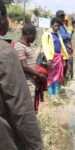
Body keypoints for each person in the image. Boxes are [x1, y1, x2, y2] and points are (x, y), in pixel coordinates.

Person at [0, 0, 43, 149]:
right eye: (7, 16)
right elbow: (21, 110)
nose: (9, 21)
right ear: (1, 17)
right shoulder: (5, 52)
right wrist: (36, 146)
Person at [15, 24, 47, 103]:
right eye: (34, 35)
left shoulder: (28, 46)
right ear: (28, 33)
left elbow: (30, 64)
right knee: (28, 107)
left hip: (32, 81)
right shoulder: (19, 47)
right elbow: (24, 67)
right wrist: (39, 75)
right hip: (26, 84)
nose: (34, 38)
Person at [42, 17, 69, 100]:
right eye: (56, 25)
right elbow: (45, 47)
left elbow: (62, 47)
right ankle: (51, 95)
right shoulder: (46, 35)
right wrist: (49, 59)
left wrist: (64, 58)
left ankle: (56, 93)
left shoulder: (58, 35)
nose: (57, 27)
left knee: (57, 76)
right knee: (50, 76)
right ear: (51, 25)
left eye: (59, 26)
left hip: (58, 58)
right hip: (52, 59)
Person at [56, 10, 71, 80]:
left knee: (66, 63)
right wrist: (68, 36)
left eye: (63, 16)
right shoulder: (56, 25)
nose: (62, 18)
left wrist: (67, 35)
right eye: (61, 16)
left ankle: (63, 78)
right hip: (60, 48)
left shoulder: (63, 25)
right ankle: (60, 80)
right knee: (62, 64)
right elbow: (60, 36)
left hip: (65, 47)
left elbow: (68, 34)